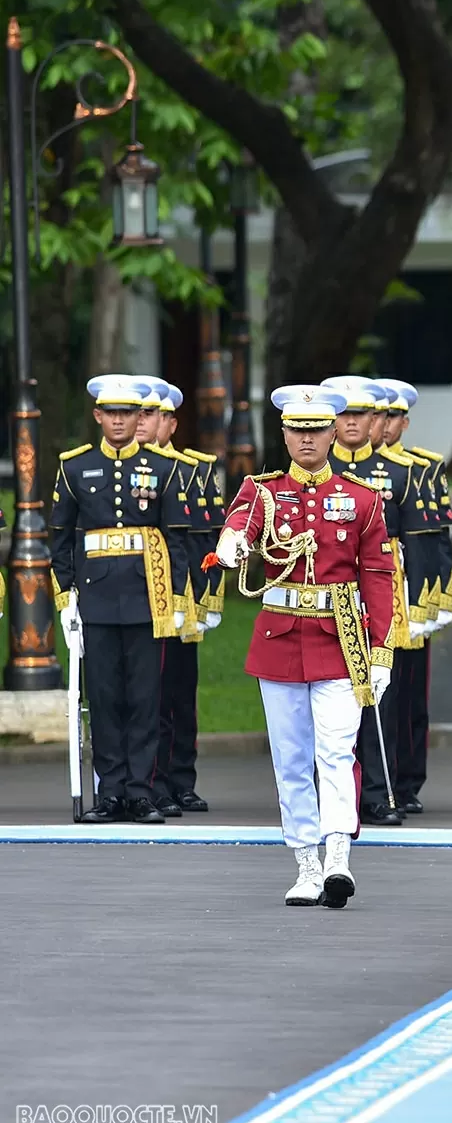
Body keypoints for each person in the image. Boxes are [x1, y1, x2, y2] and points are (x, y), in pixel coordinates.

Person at [212, 385, 396, 906]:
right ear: (285, 434)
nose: (307, 438)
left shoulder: (362, 498)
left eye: (317, 429)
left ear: (334, 432)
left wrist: (379, 649)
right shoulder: (263, 490)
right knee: (291, 759)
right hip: (280, 638)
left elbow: (378, 575)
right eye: (298, 429)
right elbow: (240, 524)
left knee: (336, 752)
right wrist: (231, 546)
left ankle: (338, 856)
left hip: (340, 639)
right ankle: (306, 863)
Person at [51, 374, 195, 824]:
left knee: (146, 700)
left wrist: (174, 597)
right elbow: (59, 538)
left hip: (146, 595)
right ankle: (110, 792)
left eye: (127, 414)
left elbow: (177, 539)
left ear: (140, 418)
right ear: (98, 416)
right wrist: (65, 596)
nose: (118, 421)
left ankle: (142, 792)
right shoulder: (74, 467)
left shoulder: (164, 468)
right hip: (95, 597)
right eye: (110, 413)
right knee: (106, 698)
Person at [319, 375, 416, 827]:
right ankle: (335, 792)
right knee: (330, 696)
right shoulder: (318, 471)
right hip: (326, 597)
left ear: (377, 420)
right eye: (344, 414)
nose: (352, 422)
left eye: (361, 414)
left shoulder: (397, 472)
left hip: (377, 590)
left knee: (379, 694)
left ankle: (378, 791)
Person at [135, 378, 224, 816]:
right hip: (138, 595)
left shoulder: (193, 469)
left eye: (150, 415)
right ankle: (149, 781)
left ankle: (179, 778)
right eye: (138, 414)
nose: (141, 423)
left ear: (170, 422)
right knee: (144, 693)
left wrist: (208, 601)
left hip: (184, 596)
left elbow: (209, 540)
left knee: (178, 694)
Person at [378, 378, 448, 811]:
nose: (381, 426)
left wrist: (433, 601)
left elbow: (435, 542)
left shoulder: (421, 468)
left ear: (402, 423)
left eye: (389, 417)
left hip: (407, 589)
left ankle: (406, 781)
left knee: (408, 693)